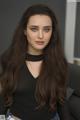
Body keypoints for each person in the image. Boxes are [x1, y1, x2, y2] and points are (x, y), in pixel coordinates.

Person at [0, 4, 71, 120]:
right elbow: (2, 100)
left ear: (52, 32)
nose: (41, 36)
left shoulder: (59, 62)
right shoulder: (8, 59)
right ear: (24, 30)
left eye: (47, 29)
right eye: (34, 29)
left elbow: (62, 103)